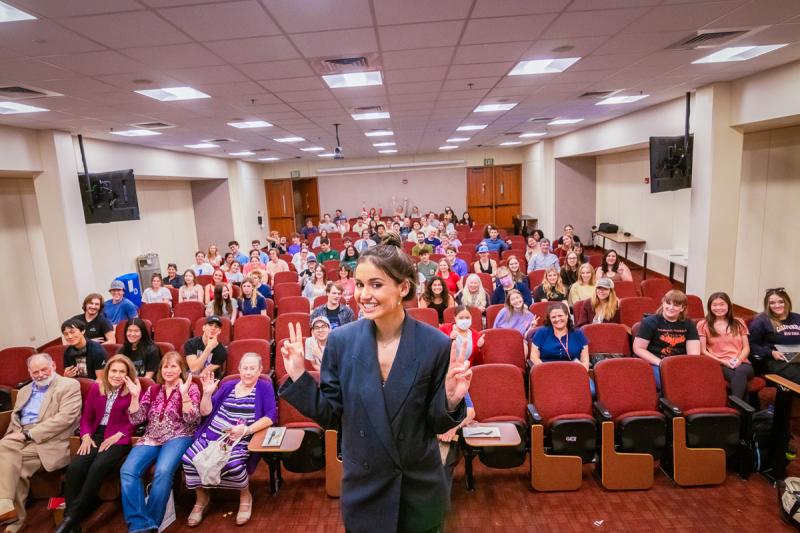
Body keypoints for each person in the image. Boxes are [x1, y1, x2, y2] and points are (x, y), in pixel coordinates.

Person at [278, 243, 471, 533]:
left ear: (403, 288)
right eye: (359, 284)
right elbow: (333, 416)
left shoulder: (435, 344)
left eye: (376, 284)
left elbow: (434, 424)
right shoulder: (340, 341)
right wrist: (298, 376)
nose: (363, 295)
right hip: (365, 487)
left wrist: (452, 402)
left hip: (417, 489)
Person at [182, 354, 276, 527]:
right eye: (245, 368)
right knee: (188, 459)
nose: (248, 373)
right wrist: (207, 395)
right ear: (239, 369)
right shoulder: (228, 386)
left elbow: (271, 417)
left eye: (252, 369)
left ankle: (245, 495)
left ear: (260, 370)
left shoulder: (264, 387)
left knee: (233, 464)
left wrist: (246, 430)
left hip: (239, 438)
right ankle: (202, 499)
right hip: (212, 434)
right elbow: (205, 412)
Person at [0, 353, 81, 533]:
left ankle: (9, 515)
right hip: (19, 436)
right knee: (9, 458)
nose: (40, 374)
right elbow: (16, 416)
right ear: (29, 372)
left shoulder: (69, 385)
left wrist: (28, 434)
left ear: (53, 365)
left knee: (14, 466)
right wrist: (15, 434)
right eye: (35, 371)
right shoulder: (24, 390)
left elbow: (65, 419)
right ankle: (8, 514)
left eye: (44, 369)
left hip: (50, 440)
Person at [57, 355, 139, 533]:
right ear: (107, 371)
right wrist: (85, 436)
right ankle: (74, 522)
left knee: (98, 466)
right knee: (75, 468)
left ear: (128, 374)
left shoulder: (132, 389)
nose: (117, 375)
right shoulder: (97, 388)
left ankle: (69, 518)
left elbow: (135, 420)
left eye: (122, 371)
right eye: (114, 370)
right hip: (94, 435)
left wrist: (119, 434)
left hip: (119, 437)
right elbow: (87, 416)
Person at [120, 352, 200, 533]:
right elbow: (136, 418)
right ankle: (140, 524)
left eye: (173, 366)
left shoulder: (191, 387)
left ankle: (152, 523)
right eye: (165, 366)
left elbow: (192, 419)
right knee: (127, 471)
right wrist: (134, 396)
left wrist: (185, 395)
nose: (169, 370)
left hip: (179, 436)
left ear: (181, 369)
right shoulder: (154, 389)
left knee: (163, 471)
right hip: (151, 437)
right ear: (160, 369)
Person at [633, 290, 700, 389]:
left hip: (679, 363)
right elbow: (638, 348)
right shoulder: (650, 322)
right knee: (670, 383)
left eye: (676, 305)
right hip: (655, 362)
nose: (671, 308)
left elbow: (693, 353)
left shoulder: (688, 324)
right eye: (668, 303)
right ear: (663, 303)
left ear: (682, 308)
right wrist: (661, 363)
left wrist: (684, 367)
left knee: (697, 381)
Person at [697, 292, 753, 400]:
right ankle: (741, 411)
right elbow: (703, 351)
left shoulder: (739, 322)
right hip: (719, 364)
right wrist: (724, 362)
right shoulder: (703, 324)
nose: (718, 308)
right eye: (714, 305)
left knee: (740, 373)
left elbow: (746, 347)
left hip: (742, 363)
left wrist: (739, 360)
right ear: (709, 307)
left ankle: (735, 408)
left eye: (722, 304)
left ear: (728, 306)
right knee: (740, 380)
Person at [749, 288, 800, 383]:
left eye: (781, 302)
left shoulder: (797, 318)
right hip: (774, 361)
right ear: (767, 305)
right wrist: (771, 353)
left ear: (787, 302)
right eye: (772, 303)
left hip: (796, 358)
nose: (777, 305)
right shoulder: (761, 321)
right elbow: (751, 345)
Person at [529, 302, 590, 371]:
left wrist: (580, 371)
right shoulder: (541, 332)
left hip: (573, 372)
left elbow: (585, 362)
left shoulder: (578, 333)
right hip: (547, 372)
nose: (557, 319)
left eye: (560, 316)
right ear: (550, 319)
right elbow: (534, 357)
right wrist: (546, 370)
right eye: (553, 317)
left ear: (567, 316)